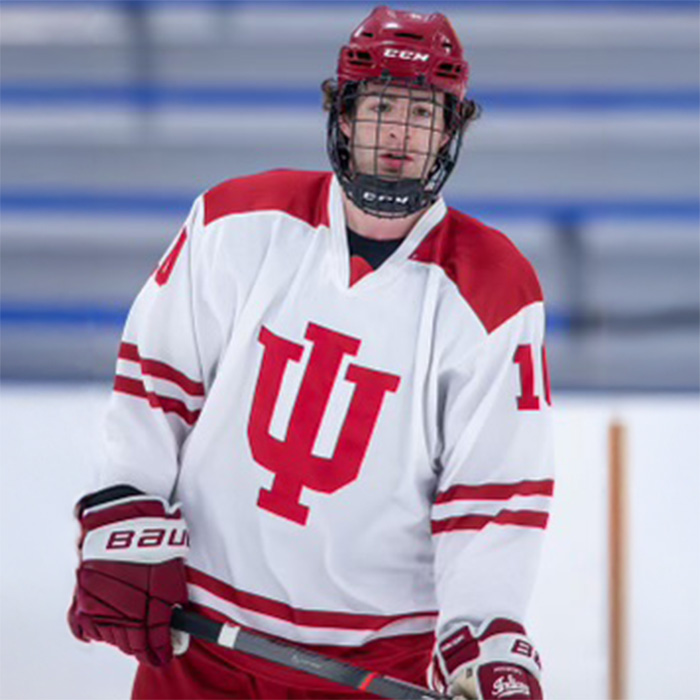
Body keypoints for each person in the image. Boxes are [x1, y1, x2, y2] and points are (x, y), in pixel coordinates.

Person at [68, 6, 554, 700]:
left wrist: (482, 638)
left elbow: (492, 492)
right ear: (345, 115)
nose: (398, 135)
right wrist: (126, 505)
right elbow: (156, 387)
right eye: (382, 106)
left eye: (422, 114)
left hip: (377, 667)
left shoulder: (494, 288)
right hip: (200, 648)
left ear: (450, 130)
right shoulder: (236, 223)